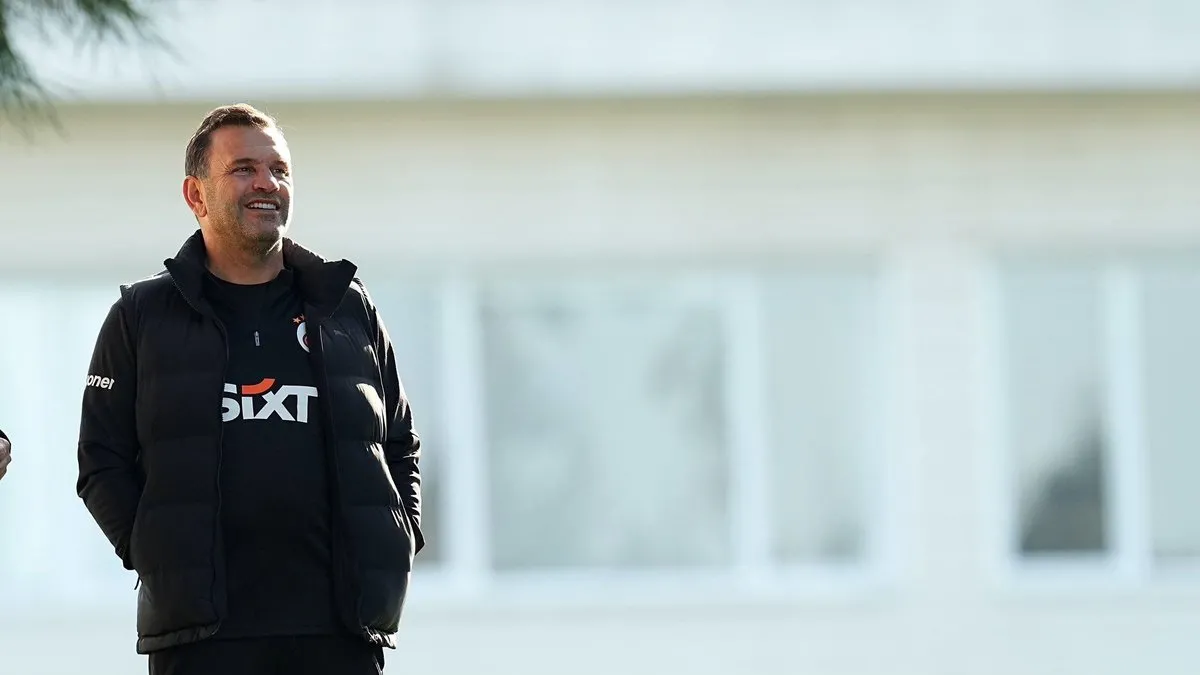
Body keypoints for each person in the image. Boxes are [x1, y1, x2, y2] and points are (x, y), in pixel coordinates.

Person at [75, 103, 424, 675]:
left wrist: (401, 534)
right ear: (196, 195)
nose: (267, 183)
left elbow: (400, 441)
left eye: (279, 170)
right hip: (200, 638)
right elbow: (100, 460)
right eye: (244, 169)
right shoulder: (142, 315)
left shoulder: (346, 306)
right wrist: (153, 551)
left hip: (340, 633)